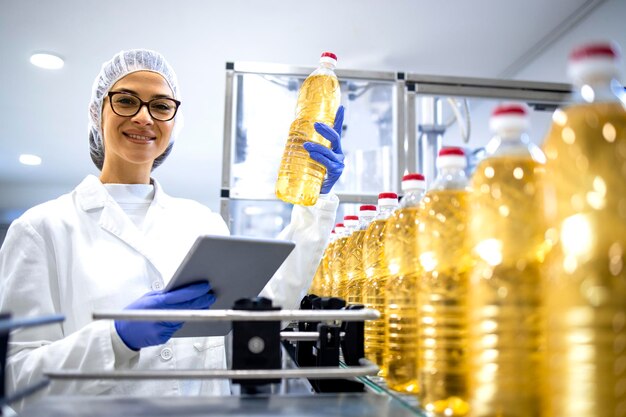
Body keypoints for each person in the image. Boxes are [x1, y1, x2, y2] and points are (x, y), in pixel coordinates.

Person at [0, 49, 345, 410]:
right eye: (126, 100)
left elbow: (265, 305)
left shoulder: (201, 222)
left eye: (161, 106)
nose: (144, 117)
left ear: (173, 121)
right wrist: (116, 338)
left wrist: (315, 203)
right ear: (97, 111)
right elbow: (18, 377)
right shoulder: (41, 229)